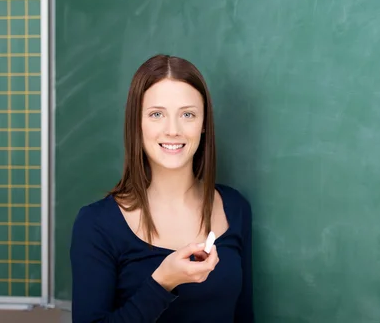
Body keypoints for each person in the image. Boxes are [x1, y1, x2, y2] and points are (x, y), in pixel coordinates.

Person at [69, 54, 254, 322]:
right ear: (137, 123)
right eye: (157, 114)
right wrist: (162, 282)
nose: (173, 130)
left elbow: (244, 315)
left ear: (203, 125)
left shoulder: (235, 208)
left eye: (187, 114)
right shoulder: (95, 224)